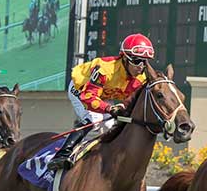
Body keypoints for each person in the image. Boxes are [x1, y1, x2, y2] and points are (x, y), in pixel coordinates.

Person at [47, 34, 153, 171]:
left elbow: (130, 101)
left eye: (145, 62)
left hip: (103, 94)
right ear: (124, 58)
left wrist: (121, 107)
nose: (141, 66)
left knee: (110, 127)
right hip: (82, 89)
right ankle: (62, 154)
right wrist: (109, 108)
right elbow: (89, 98)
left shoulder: (141, 78)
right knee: (94, 118)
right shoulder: (105, 69)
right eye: (137, 60)